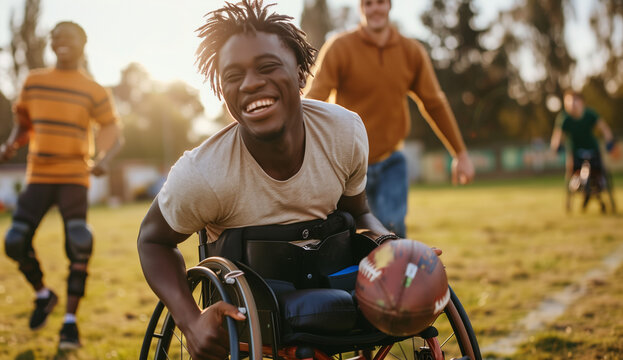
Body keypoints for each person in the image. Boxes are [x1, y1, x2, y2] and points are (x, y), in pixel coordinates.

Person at [137, 1, 410, 359]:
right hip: (251, 306)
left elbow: (359, 214)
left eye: (267, 67)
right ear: (221, 90)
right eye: (233, 76)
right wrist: (190, 320)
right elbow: (152, 240)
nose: (250, 84)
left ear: (300, 74)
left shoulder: (344, 132)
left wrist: (396, 249)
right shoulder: (202, 173)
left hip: (333, 288)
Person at [304, 0, 475, 237]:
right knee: (345, 237)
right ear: (360, 8)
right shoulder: (340, 48)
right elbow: (314, 101)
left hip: (390, 162)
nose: (375, 8)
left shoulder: (411, 51)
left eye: (380, 2)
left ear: (390, 5)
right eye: (368, 3)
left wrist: (460, 153)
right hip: (346, 166)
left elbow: (434, 103)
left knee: (390, 234)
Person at [1, 21, 123, 349]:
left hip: (73, 175)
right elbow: (23, 123)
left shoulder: (94, 89)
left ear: (83, 43)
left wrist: (104, 159)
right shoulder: (34, 81)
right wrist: (11, 145)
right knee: (14, 241)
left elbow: (112, 128)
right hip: (38, 174)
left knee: (79, 240)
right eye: (55, 38)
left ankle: (70, 323)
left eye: (68, 37)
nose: (61, 42)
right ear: (51, 44)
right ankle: (43, 295)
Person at [550, 89, 616, 178]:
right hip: (575, 151)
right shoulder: (564, 119)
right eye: (568, 102)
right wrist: (556, 147)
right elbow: (557, 135)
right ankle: (569, 185)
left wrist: (609, 141)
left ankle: (604, 182)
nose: (571, 104)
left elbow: (604, 129)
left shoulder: (590, 114)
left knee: (601, 169)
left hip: (592, 148)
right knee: (570, 170)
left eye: (574, 100)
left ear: (581, 102)